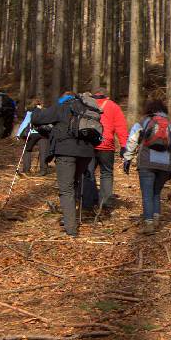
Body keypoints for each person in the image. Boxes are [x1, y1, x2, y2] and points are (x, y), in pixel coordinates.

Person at [31, 92, 97, 237]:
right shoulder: (87, 108)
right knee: (74, 184)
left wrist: (36, 108)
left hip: (66, 151)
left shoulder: (62, 106)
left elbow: (37, 119)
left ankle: (71, 229)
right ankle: (71, 218)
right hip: (86, 153)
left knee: (66, 189)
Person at [123, 99, 171, 235]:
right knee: (156, 192)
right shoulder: (170, 126)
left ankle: (149, 224)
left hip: (146, 162)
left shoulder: (143, 122)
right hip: (165, 165)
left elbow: (131, 140)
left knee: (147, 194)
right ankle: (156, 219)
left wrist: (127, 159)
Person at [82, 88, 128, 212]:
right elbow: (121, 127)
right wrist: (124, 145)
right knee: (106, 173)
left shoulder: (86, 104)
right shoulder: (113, 106)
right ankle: (106, 202)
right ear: (106, 96)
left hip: (89, 143)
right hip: (106, 144)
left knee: (88, 172)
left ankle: (88, 202)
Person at [15, 99, 50, 176]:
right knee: (43, 152)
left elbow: (25, 123)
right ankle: (43, 170)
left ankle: (26, 170)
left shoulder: (30, 112)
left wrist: (18, 134)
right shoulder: (46, 112)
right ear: (41, 104)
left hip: (32, 134)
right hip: (44, 134)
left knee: (27, 150)